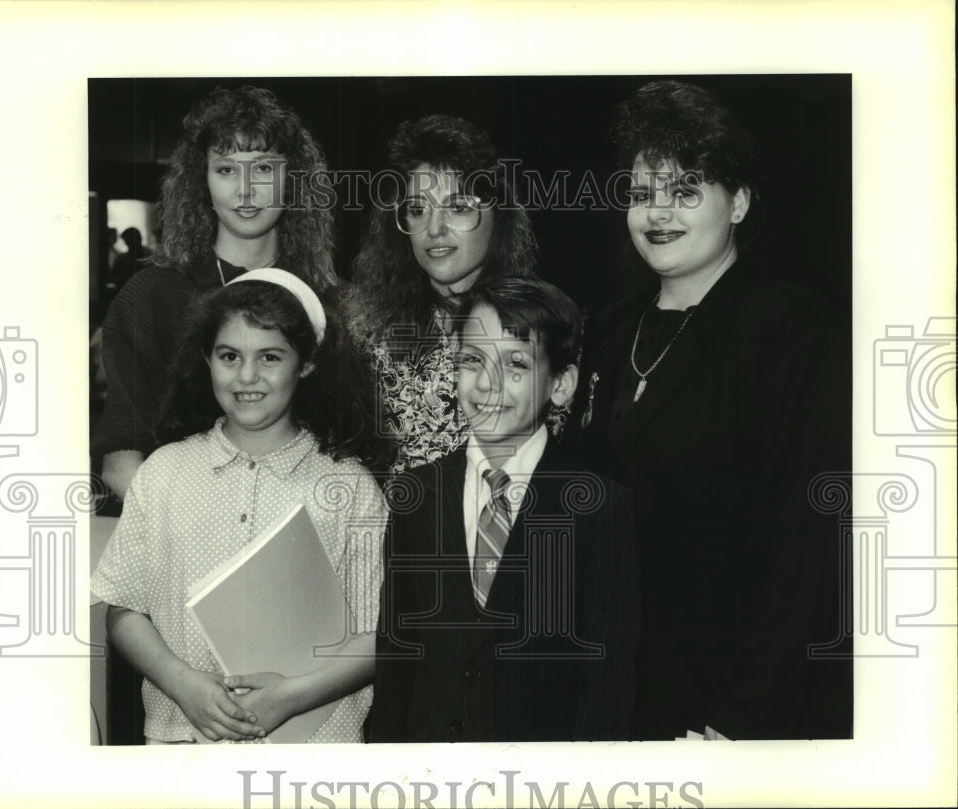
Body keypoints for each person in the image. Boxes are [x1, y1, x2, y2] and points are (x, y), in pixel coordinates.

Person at [565, 80, 851, 740]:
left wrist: (742, 719)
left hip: (727, 703)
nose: (657, 212)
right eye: (642, 194)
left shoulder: (786, 330)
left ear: (740, 202)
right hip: (614, 689)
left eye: (686, 190)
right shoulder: (608, 330)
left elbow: (806, 543)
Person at [91, 269, 386, 744]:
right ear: (207, 358)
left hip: (314, 754)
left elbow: (377, 636)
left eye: (270, 357)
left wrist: (291, 696)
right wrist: (180, 683)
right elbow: (124, 607)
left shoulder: (348, 487)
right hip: (182, 744)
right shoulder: (165, 473)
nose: (247, 376)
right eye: (230, 356)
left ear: (306, 364)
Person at [367, 277, 638, 742]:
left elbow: (607, 688)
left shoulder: (598, 507)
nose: (488, 383)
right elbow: (398, 659)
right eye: (473, 360)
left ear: (561, 384)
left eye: (516, 364)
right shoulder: (418, 493)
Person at [93, 85, 336, 500]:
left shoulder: (329, 303)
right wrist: (205, 535)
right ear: (201, 180)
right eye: (226, 169)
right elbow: (121, 464)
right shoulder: (150, 298)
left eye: (263, 169)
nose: (244, 191)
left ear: (292, 178)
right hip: (179, 534)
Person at [345, 114, 541, 475]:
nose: (434, 229)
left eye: (458, 207)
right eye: (418, 210)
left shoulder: (539, 327)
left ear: (498, 214)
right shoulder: (366, 336)